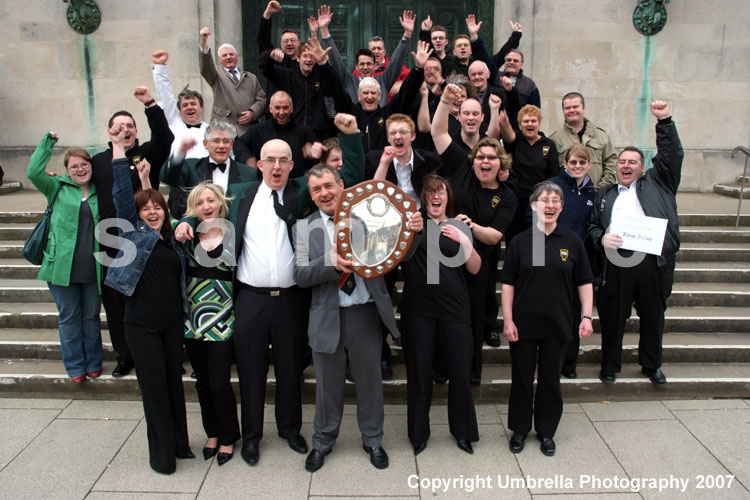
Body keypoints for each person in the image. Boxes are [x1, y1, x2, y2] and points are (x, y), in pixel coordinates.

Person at [175, 113, 364, 467]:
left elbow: (347, 181)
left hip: (292, 299)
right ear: (258, 164)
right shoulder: (239, 193)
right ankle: (251, 437)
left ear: (292, 165)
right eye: (270, 160)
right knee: (251, 372)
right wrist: (186, 222)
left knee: (291, 371)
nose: (276, 166)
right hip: (250, 299)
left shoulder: (302, 193)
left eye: (283, 160)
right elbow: (204, 205)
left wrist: (351, 137)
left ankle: (290, 429)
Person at [294, 164, 423, 472]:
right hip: (327, 317)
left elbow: (402, 254)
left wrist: (414, 231)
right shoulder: (303, 228)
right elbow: (300, 275)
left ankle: (373, 439)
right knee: (327, 386)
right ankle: (322, 441)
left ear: (342, 185)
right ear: (311, 195)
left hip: (365, 313)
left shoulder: (368, 218)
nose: (324, 193)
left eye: (329, 185)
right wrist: (328, 262)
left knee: (370, 382)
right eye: (316, 189)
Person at [105, 123, 191, 475]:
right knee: (154, 390)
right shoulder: (133, 234)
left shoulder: (170, 237)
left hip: (171, 324)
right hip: (141, 326)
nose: (153, 212)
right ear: (137, 216)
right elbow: (125, 197)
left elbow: (151, 201)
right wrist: (118, 148)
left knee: (173, 386)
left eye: (158, 208)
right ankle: (162, 456)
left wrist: (146, 180)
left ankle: (181, 444)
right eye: (146, 210)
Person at [587, 100, 683, 386]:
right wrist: (601, 238)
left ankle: (652, 365)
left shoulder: (659, 183)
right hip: (617, 263)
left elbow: (672, 155)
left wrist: (664, 122)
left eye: (632, 162)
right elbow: (593, 226)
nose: (626, 165)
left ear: (643, 167)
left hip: (652, 261)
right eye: (622, 161)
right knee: (613, 317)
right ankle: (609, 365)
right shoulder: (605, 194)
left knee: (653, 316)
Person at [500, 181, 594, 457]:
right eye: (544, 200)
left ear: (562, 207)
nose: (550, 205)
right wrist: (508, 319)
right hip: (524, 324)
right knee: (521, 379)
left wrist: (587, 316)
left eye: (555, 201)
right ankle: (519, 430)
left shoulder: (572, 242)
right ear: (533, 205)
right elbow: (508, 284)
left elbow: (585, 282)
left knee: (550, 380)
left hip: (559, 324)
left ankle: (546, 431)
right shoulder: (520, 242)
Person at [433, 83, 518, 385]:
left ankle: (470, 373)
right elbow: (438, 132)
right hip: (445, 258)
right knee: (443, 314)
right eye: (480, 157)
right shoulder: (462, 166)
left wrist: (470, 226)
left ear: (501, 163)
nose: (485, 162)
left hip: (479, 265)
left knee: (472, 318)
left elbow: (494, 236)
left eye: (491, 158)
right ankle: (441, 368)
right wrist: (445, 100)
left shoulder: (507, 196)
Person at [91, 86, 174, 378]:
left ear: (136, 131)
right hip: (111, 239)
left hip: (145, 240)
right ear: (110, 131)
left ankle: (165, 352)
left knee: (153, 297)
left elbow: (165, 138)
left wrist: (150, 104)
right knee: (115, 304)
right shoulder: (98, 161)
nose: (125, 129)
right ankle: (125, 356)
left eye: (129, 125)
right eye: (119, 125)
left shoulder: (146, 154)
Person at [397, 174, 481, 456]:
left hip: (455, 308)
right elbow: (400, 257)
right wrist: (412, 231)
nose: (436, 196)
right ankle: (418, 434)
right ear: (424, 197)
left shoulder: (459, 225)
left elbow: (475, 268)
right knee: (419, 373)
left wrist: (464, 240)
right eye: (431, 192)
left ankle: (463, 432)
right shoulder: (413, 223)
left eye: (441, 191)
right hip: (418, 309)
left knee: (460, 371)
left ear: (448, 197)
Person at [27, 132, 103, 384]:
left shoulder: (100, 190)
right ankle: (75, 366)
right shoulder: (56, 187)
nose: (80, 169)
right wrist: (47, 143)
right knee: (69, 318)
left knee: (91, 317)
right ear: (67, 171)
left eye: (84, 164)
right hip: (62, 267)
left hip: (93, 267)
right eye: (74, 166)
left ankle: (93, 362)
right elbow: (33, 172)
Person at [181, 182, 240, 466]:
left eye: (210, 200)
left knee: (219, 383)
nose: (206, 206)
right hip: (192, 321)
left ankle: (229, 436)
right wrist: (182, 222)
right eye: (200, 202)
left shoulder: (234, 233)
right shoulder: (187, 234)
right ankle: (212, 433)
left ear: (220, 203)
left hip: (223, 321)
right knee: (203, 383)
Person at [546, 145, 596, 379]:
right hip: (551, 256)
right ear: (565, 163)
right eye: (573, 162)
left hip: (577, 260)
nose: (577, 166)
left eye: (582, 162)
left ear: (589, 165)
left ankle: (569, 363)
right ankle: (550, 361)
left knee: (574, 312)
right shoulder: (552, 187)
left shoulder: (592, 193)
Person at [314, 5, 413, 108]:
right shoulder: (348, 81)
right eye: (362, 64)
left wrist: (407, 35)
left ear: (375, 66)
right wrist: (324, 30)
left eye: (369, 64)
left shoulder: (383, 81)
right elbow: (336, 60)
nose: (365, 67)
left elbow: (397, 61)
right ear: (356, 67)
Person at [160, 120, 257, 218]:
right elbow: (167, 178)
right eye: (216, 141)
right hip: (199, 225)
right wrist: (180, 153)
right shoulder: (191, 167)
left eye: (226, 141)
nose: (221, 146)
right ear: (205, 144)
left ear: (231, 145)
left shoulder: (249, 173)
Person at [498, 103, 559, 241]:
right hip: (515, 200)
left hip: (538, 202)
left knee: (537, 243)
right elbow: (508, 136)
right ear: (520, 125)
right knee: (514, 239)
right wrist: (504, 122)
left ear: (539, 123)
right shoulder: (516, 141)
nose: (530, 124)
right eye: (526, 121)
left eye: (533, 121)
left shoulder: (548, 145)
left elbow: (553, 176)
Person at [234, 91, 323, 175]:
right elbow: (238, 144)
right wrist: (248, 158)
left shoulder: (304, 132)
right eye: (277, 108)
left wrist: (316, 152)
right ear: (270, 108)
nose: (281, 112)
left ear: (291, 108)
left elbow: (321, 151)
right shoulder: (258, 130)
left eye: (285, 108)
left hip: (296, 182)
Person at [199, 27, 266, 135]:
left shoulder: (251, 78)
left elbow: (262, 99)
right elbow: (206, 66)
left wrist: (253, 113)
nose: (228, 57)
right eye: (224, 55)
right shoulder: (215, 74)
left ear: (237, 57)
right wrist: (204, 41)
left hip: (248, 131)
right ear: (219, 59)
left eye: (231, 54)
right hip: (223, 130)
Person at [549, 92, 617, 188]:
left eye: (575, 107)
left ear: (584, 108)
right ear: (563, 111)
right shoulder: (555, 139)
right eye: (568, 108)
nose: (572, 110)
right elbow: (552, 172)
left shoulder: (602, 136)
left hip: (597, 193)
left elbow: (611, 163)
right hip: (567, 194)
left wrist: (602, 189)